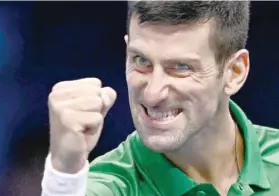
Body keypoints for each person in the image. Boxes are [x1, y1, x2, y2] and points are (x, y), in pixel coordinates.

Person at [41, 1, 279, 196]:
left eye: (180, 67)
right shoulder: (111, 185)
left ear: (234, 72)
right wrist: (64, 176)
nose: (153, 94)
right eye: (141, 61)